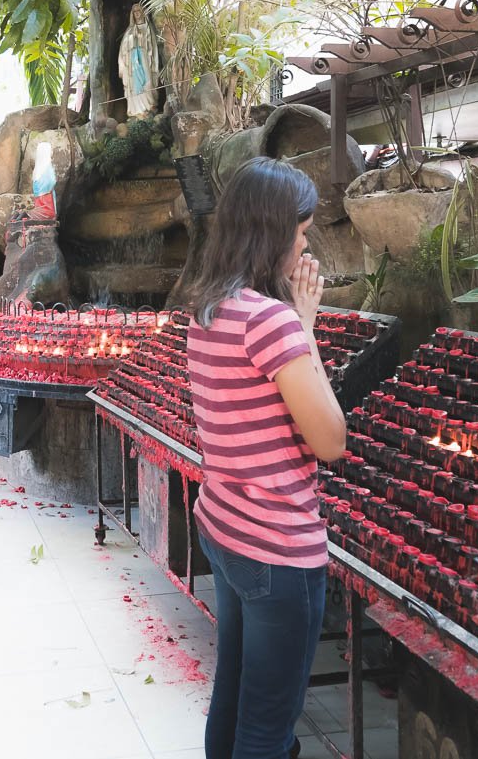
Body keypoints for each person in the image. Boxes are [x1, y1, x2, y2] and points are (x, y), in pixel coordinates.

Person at [180, 157, 347, 759]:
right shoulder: (272, 322)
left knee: (233, 692)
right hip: (278, 549)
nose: (305, 243)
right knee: (267, 728)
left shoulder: (208, 308)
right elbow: (331, 440)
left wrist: (296, 325)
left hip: (224, 529)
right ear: (274, 232)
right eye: (301, 231)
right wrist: (305, 327)